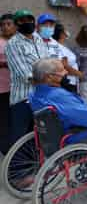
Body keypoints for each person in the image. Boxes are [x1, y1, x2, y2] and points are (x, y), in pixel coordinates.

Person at [5, 9, 49, 146]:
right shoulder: (13, 44)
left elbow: (47, 61)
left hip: (42, 95)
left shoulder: (38, 39)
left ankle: (37, 165)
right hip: (23, 98)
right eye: (22, 21)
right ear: (17, 24)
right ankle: (17, 167)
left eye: (29, 20)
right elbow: (25, 75)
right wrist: (51, 79)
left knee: (40, 135)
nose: (27, 23)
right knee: (20, 137)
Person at [0, 14, 16, 154]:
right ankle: (5, 150)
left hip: (17, 89)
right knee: (4, 121)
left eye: (9, 24)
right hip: (2, 89)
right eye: (3, 24)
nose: (5, 27)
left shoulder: (19, 42)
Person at [52, 23, 83, 93]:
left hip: (72, 81)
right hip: (68, 83)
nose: (67, 31)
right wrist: (80, 74)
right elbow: (64, 66)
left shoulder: (63, 46)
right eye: (65, 30)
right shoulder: (58, 48)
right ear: (61, 34)